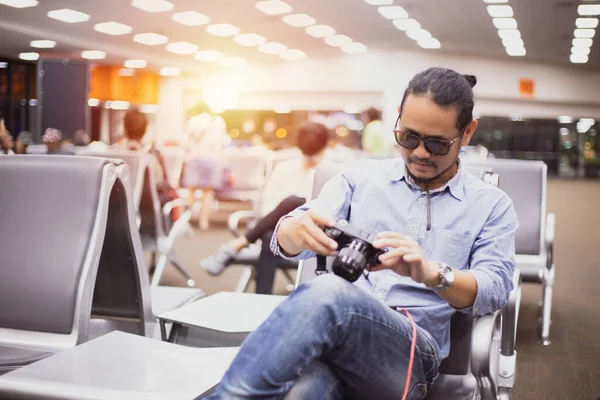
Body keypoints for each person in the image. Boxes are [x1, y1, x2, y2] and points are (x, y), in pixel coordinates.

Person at [208, 67, 518, 400]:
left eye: (437, 144)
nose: (420, 153)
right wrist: (292, 229)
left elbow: (495, 288)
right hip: (335, 344)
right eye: (409, 137)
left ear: (467, 133)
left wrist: (431, 273)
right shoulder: (359, 178)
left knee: (330, 292)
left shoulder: (491, 205)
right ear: (397, 120)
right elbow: (291, 236)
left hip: (409, 356)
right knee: (303, 392)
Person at [200, 122, 330, 277]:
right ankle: (262, 296)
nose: (311, 157)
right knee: (271, 236)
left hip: (310, 234)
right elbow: (269, 207)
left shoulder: (328, 174)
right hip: (277, 229)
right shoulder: (285, 169)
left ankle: (237, 244)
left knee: (293, 201)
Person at [181, 114, 231, 230]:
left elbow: (186, 141)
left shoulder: (194, 120)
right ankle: (204, 222)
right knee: (207, 192)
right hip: (212, 159)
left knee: (191, 190)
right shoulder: (219, 121)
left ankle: (185, 221)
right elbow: (221, 144)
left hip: (195, 157)